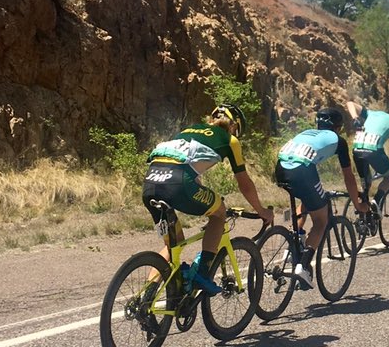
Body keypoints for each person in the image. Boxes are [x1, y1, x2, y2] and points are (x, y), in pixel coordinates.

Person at [142, 104, 274, 292]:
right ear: (235, 126)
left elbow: (188, 170)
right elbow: (244, 183)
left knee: (174, 244)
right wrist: (262, 211)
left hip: (150, 184)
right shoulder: (231, 140)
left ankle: (146, 298)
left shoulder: (188, 131)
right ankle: (202, 274)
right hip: (178, 183)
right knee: (219, 213)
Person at [275, 105, 368, 288]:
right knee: (321, 220)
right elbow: (348, 177)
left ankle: (292, 244)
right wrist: (357, 204)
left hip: (281, 168)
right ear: (338, 127)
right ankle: (302, 265)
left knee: (308, 199)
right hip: (302, 170)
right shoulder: (339, 141)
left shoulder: (307, 133)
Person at [345, 98, 389, 204]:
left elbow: (350, 103)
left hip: (356, 147)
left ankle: (363, 208)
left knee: (366, 181)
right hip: (373, 150)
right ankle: (377, 200)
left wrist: (355, 118)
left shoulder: (372, 113)